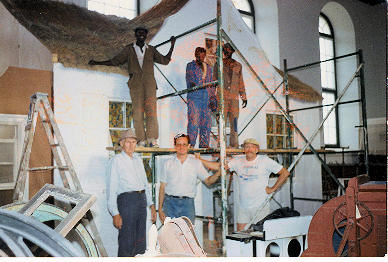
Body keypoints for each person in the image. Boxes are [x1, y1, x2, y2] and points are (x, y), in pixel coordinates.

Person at [89, 27, 176, 147]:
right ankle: (141, 140)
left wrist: (172, 45)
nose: (141, 34)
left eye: (144, 33)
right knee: (137, 112)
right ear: (135, 34)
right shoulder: (129, 49)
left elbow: (165, 60)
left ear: (146, 36)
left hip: (150, 84)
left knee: (151, 111)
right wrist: (98, 62)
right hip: (135, 85)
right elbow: (115, 61)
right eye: (139, 32)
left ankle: (152, 139)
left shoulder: (151, 49)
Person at [107, 128, 157, 256]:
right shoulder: (116, 161)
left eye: (133, 142)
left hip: (141, 201)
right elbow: (111, 189)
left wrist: (151, 205)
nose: (131, 145)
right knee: (126, 241)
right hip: (126, 202)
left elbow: (145, 184)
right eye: (128, 142)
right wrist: (115, 213)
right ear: (122, 143)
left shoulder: (138, 160)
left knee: (140, 241)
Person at [226, 138, 290, 231]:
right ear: (243, 149)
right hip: (243, 206)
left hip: (260, 206)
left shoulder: (264, 161)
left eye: (252, 147)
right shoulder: (237, 161)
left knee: (260, 235)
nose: (249, 149)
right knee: (241, 233)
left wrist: (272, 188)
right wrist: (201, 160)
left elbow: (285, 173)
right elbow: (221, 168)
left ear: (257, 150)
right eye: (247, 147)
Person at [158, 133, 220, 224]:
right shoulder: (168, 163)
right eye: (178, 144)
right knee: (171, 236)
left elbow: (208, 181)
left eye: (184, 144)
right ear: (174, 146)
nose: (181, 147)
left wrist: (219, 173)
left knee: (187, 235)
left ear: (189, 146)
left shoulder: (196, 163)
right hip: (169, 204)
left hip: (188, 205)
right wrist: (160, 209)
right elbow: (162, 187)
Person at [213, 43, 247, 148]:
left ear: (232, 51)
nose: (227, 51)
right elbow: (213, 81)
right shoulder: (218, 64)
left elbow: (240, 82)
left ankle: (234, 144)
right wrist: (212, 98)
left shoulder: (238, 65)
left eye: (229, 49)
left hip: (234, 99)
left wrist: (244, 97)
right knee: (221, 122)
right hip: (222, 98)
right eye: (225, 49)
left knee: (234, 122)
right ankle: (221, 144)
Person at [186, 47, 215, 148]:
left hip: (206, 96)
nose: (201, 57)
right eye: (199, 55)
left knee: (206, 122)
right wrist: (193, 85)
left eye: (203, 55)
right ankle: (191, 144)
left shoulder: (208, 67)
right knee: (194, 121)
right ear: (195, 54)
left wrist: (213, 98)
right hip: (195, 96)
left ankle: (204, 145)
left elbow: (211, 83)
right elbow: (189, 79)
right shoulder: (190, 65)